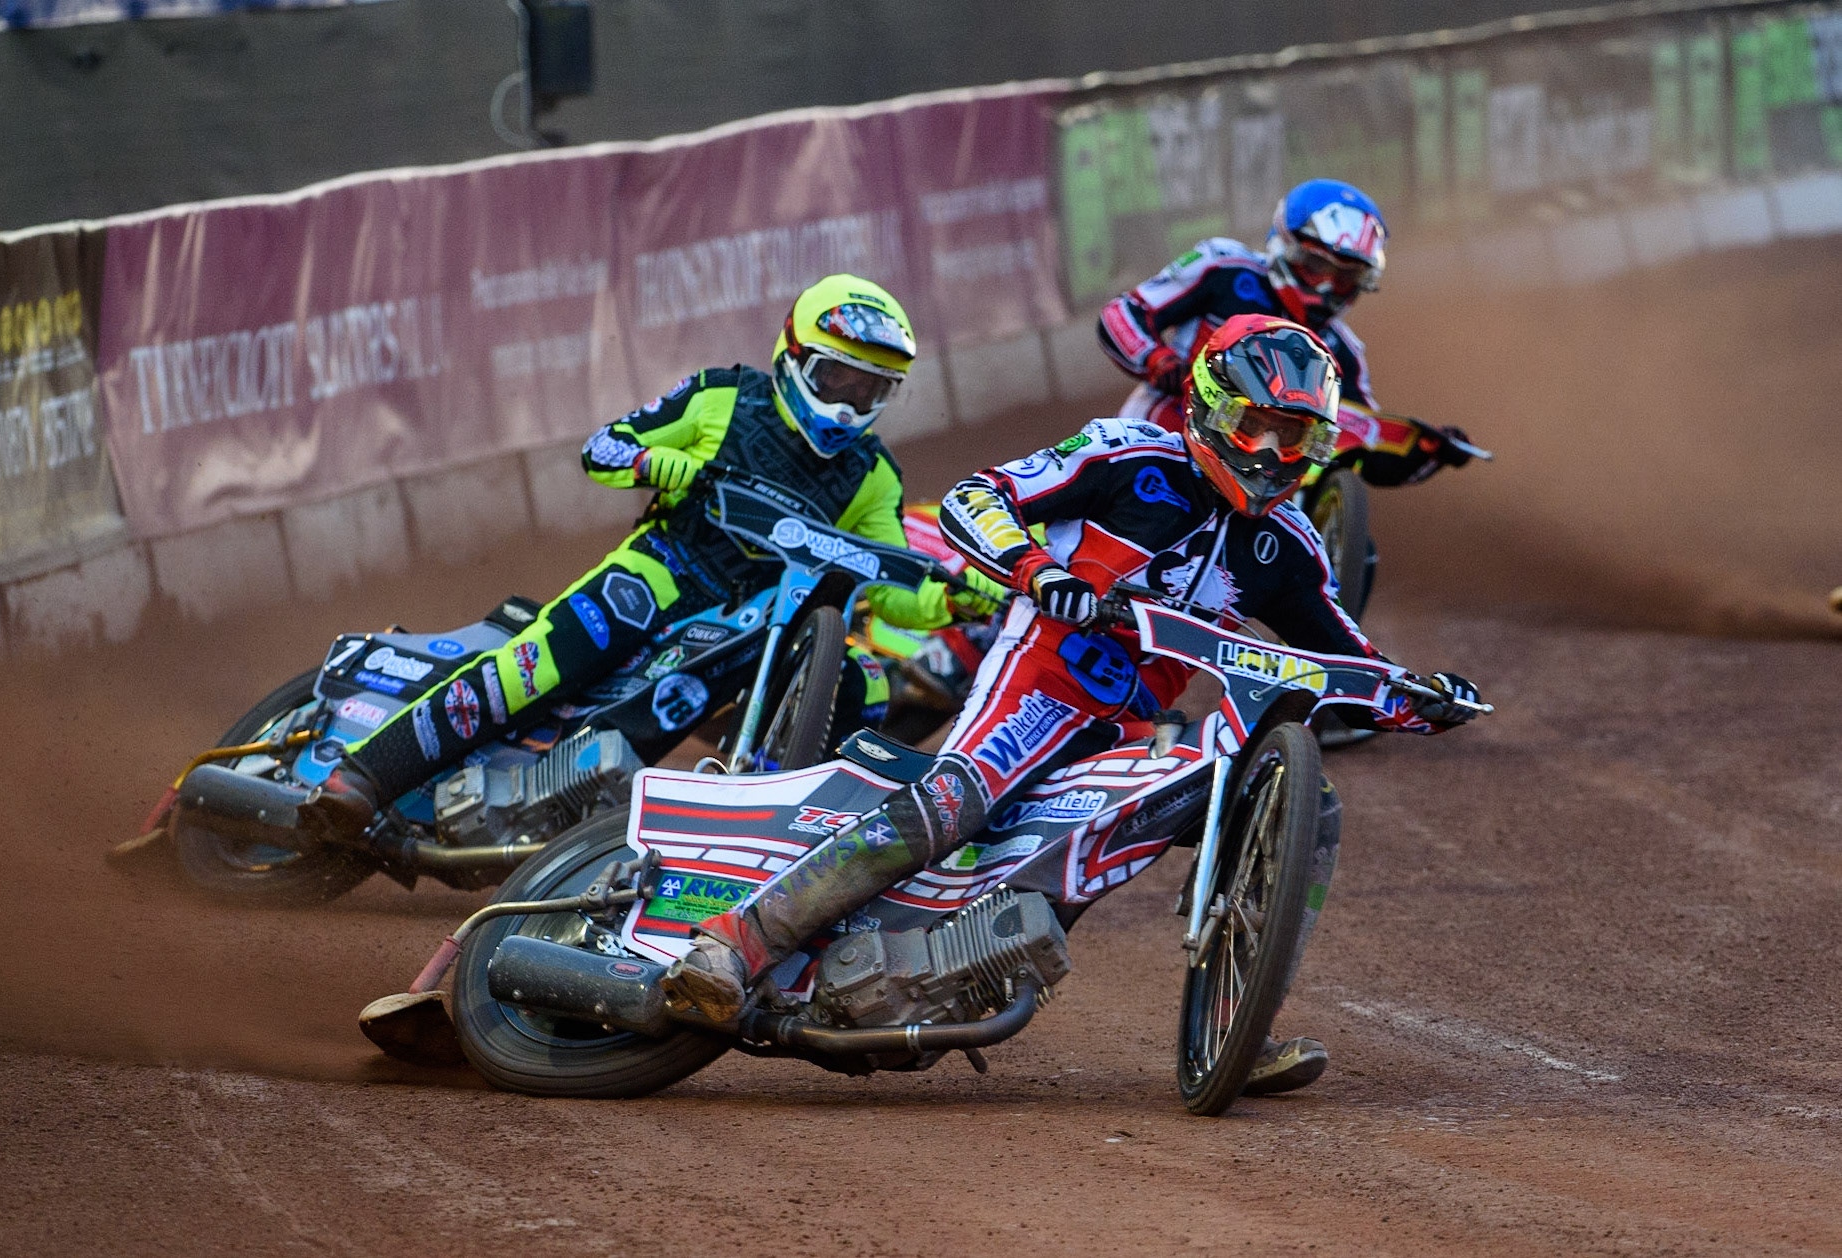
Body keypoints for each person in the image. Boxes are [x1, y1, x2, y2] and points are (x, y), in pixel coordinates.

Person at [662, 315, 1483, 1096]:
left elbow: (1347, 660)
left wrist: (1419, 696)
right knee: (956, 800)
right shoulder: (1128, 457)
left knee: (1290, 806)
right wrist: (1035, 572)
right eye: (1256, 425)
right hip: (1041, 676)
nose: (1271, 451)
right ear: (1208, 406)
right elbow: (975, 499)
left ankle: (1241, 1016)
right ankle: (735, 943)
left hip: (1125, 725)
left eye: (1294, 434)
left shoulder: (1286, 547)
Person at [291, 275, 965, 845]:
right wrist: (658, 460)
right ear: (794, 357)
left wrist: (952, 597)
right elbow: (604, 448)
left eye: (871, 391)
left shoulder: (873, 474)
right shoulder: (721, 397)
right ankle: (365, 776)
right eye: (837, 378)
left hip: (740, 627)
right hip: (657, 573)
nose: (849, 404)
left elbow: (892, 580)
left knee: (837, 685)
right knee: (541, 667)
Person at [1098, 177, 1473, 486]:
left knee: (1354, 546)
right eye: (1316, 265)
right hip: (1168, 432)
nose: (1326, 287)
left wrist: (1425, 450)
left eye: (1345, 278)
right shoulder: (1223, 267)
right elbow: (1124, 313)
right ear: (1286, 244)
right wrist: (1156, 358)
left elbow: (1361, 446)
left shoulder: (1344, 351)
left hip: (1265, 477)